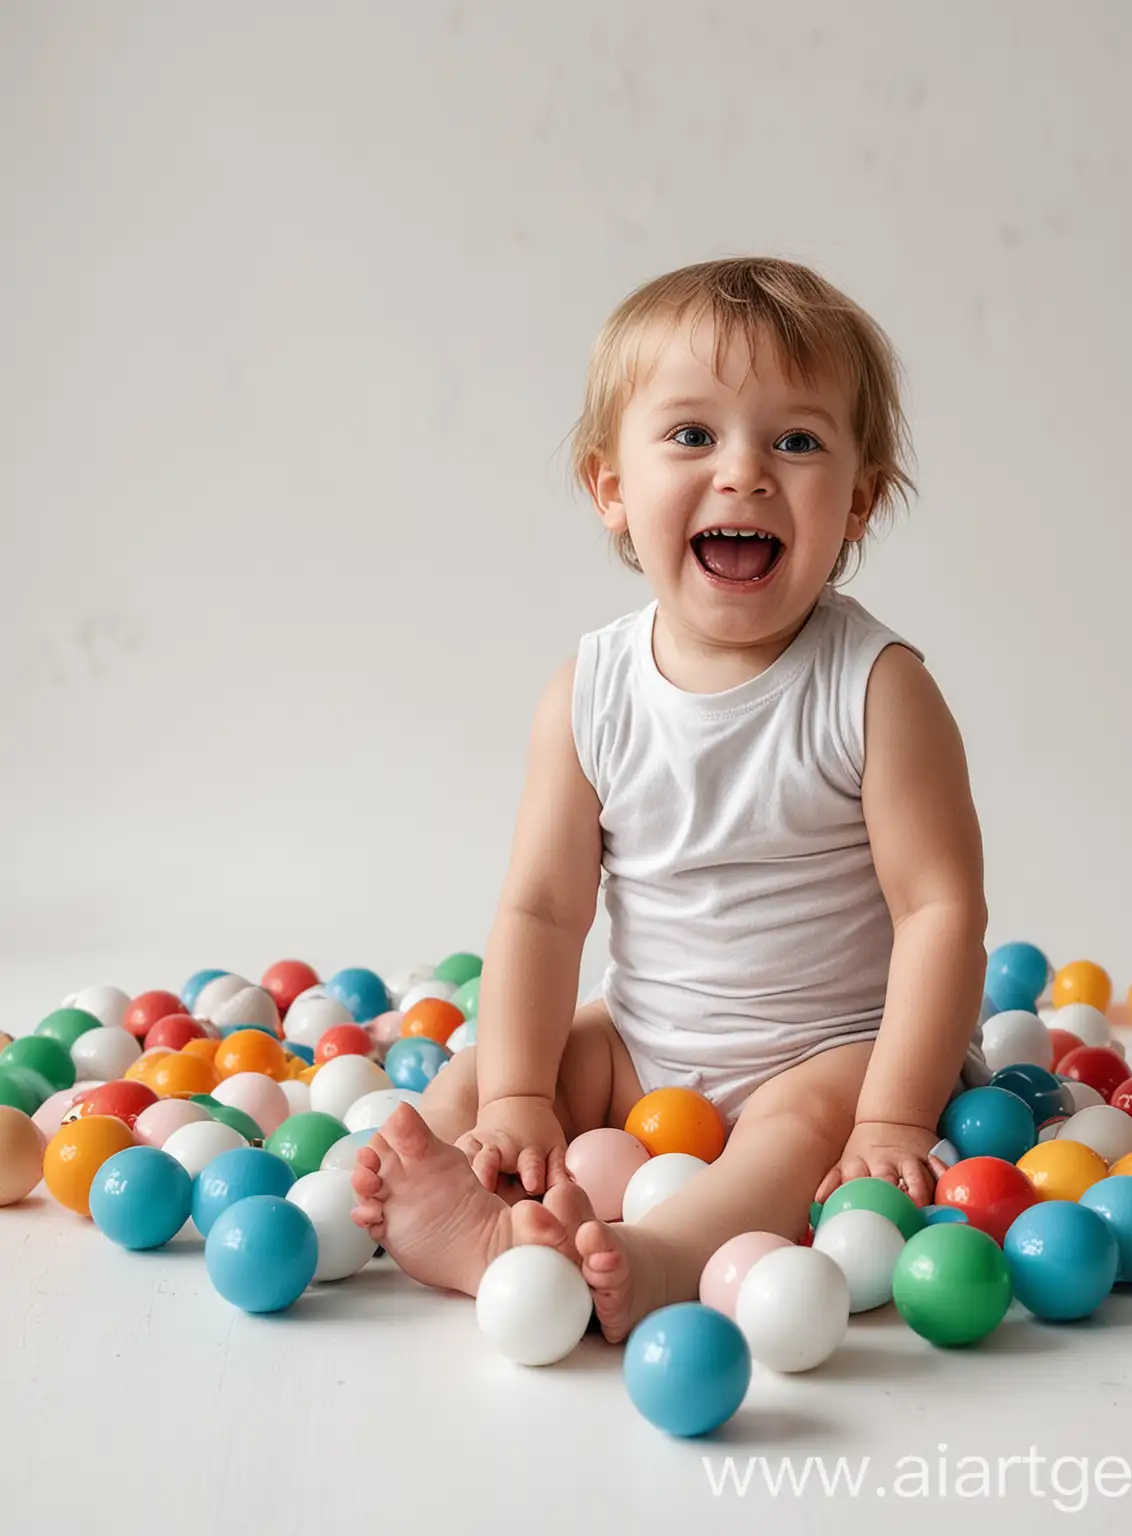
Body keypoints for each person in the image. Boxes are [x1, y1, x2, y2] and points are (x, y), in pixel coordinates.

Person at [351, 255, 990, 1343]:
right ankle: (460, 1205)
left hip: (827, 1045)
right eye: (693, 436)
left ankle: (657, 1259)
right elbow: (543, 913)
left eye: (797, 440)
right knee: (490, 1070)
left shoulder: (878, 690)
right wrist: (517, 1099)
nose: (743, 473)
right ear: (611, 486)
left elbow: (943, 912)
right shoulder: (590, 692)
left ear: (859, 504)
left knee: (797, 1133)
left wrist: (892, 1112)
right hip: (647, 1042)